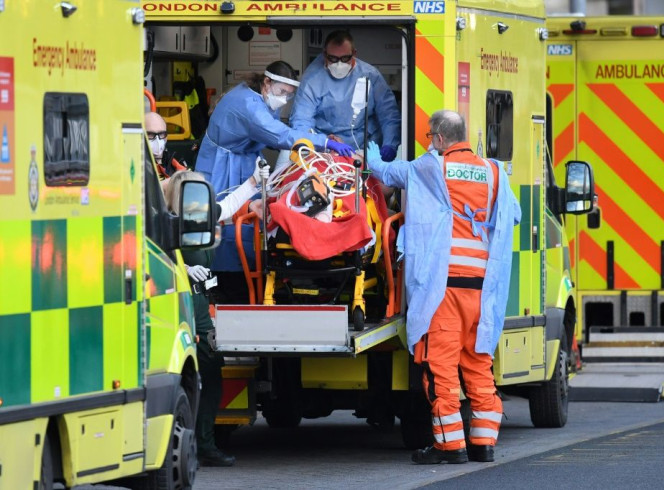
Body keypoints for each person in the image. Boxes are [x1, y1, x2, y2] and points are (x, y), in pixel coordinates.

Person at [365, 110, 521, 465]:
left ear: (438, 139)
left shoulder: (430, 168)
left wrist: (374, 160)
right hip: (482, 287)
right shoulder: (494, 172)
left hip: (444, 287)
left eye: (428, 137)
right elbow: (514, 215)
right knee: (478, 362)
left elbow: (390, 174)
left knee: (442, 368)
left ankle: (450, 447)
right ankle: (483, 444)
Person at [195, 60, 352, 302]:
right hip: (221, 167)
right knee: (223, 222)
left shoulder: (263, 99)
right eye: (282, 93)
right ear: (266, 82)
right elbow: (278, 134)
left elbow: (272, 132)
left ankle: (249, 280)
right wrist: (324, 143)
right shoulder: (248, 104)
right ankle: (227, 287)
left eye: (289, 95)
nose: (284, 99)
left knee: (252, 218)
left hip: (244, 161)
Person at [163, 164, 269, 467]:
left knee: (210, 371)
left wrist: (253, 180)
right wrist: (182, 269)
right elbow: (152, 251)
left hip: (197, 303)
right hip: (179, 303)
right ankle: (199, 443)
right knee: (201, 372)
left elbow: (229, 205)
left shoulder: (197, 217)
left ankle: (201, 442)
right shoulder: (167, 223)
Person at [290, 30, 400, 160]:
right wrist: (319, 143)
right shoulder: (312, 79)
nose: (339, 64)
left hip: (363, 147)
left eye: (345, 58)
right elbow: (302, 119)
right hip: (326, 148)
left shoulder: (370, 75)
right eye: (333, 58)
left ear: (354, 53)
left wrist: (390, 144)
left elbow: (388, 114)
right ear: (325, 55)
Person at [144, 111, 189, 180]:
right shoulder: (134, 167)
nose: (157, 139)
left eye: (161, 134)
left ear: (166, 137)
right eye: (150, 134)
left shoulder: (177, 164)